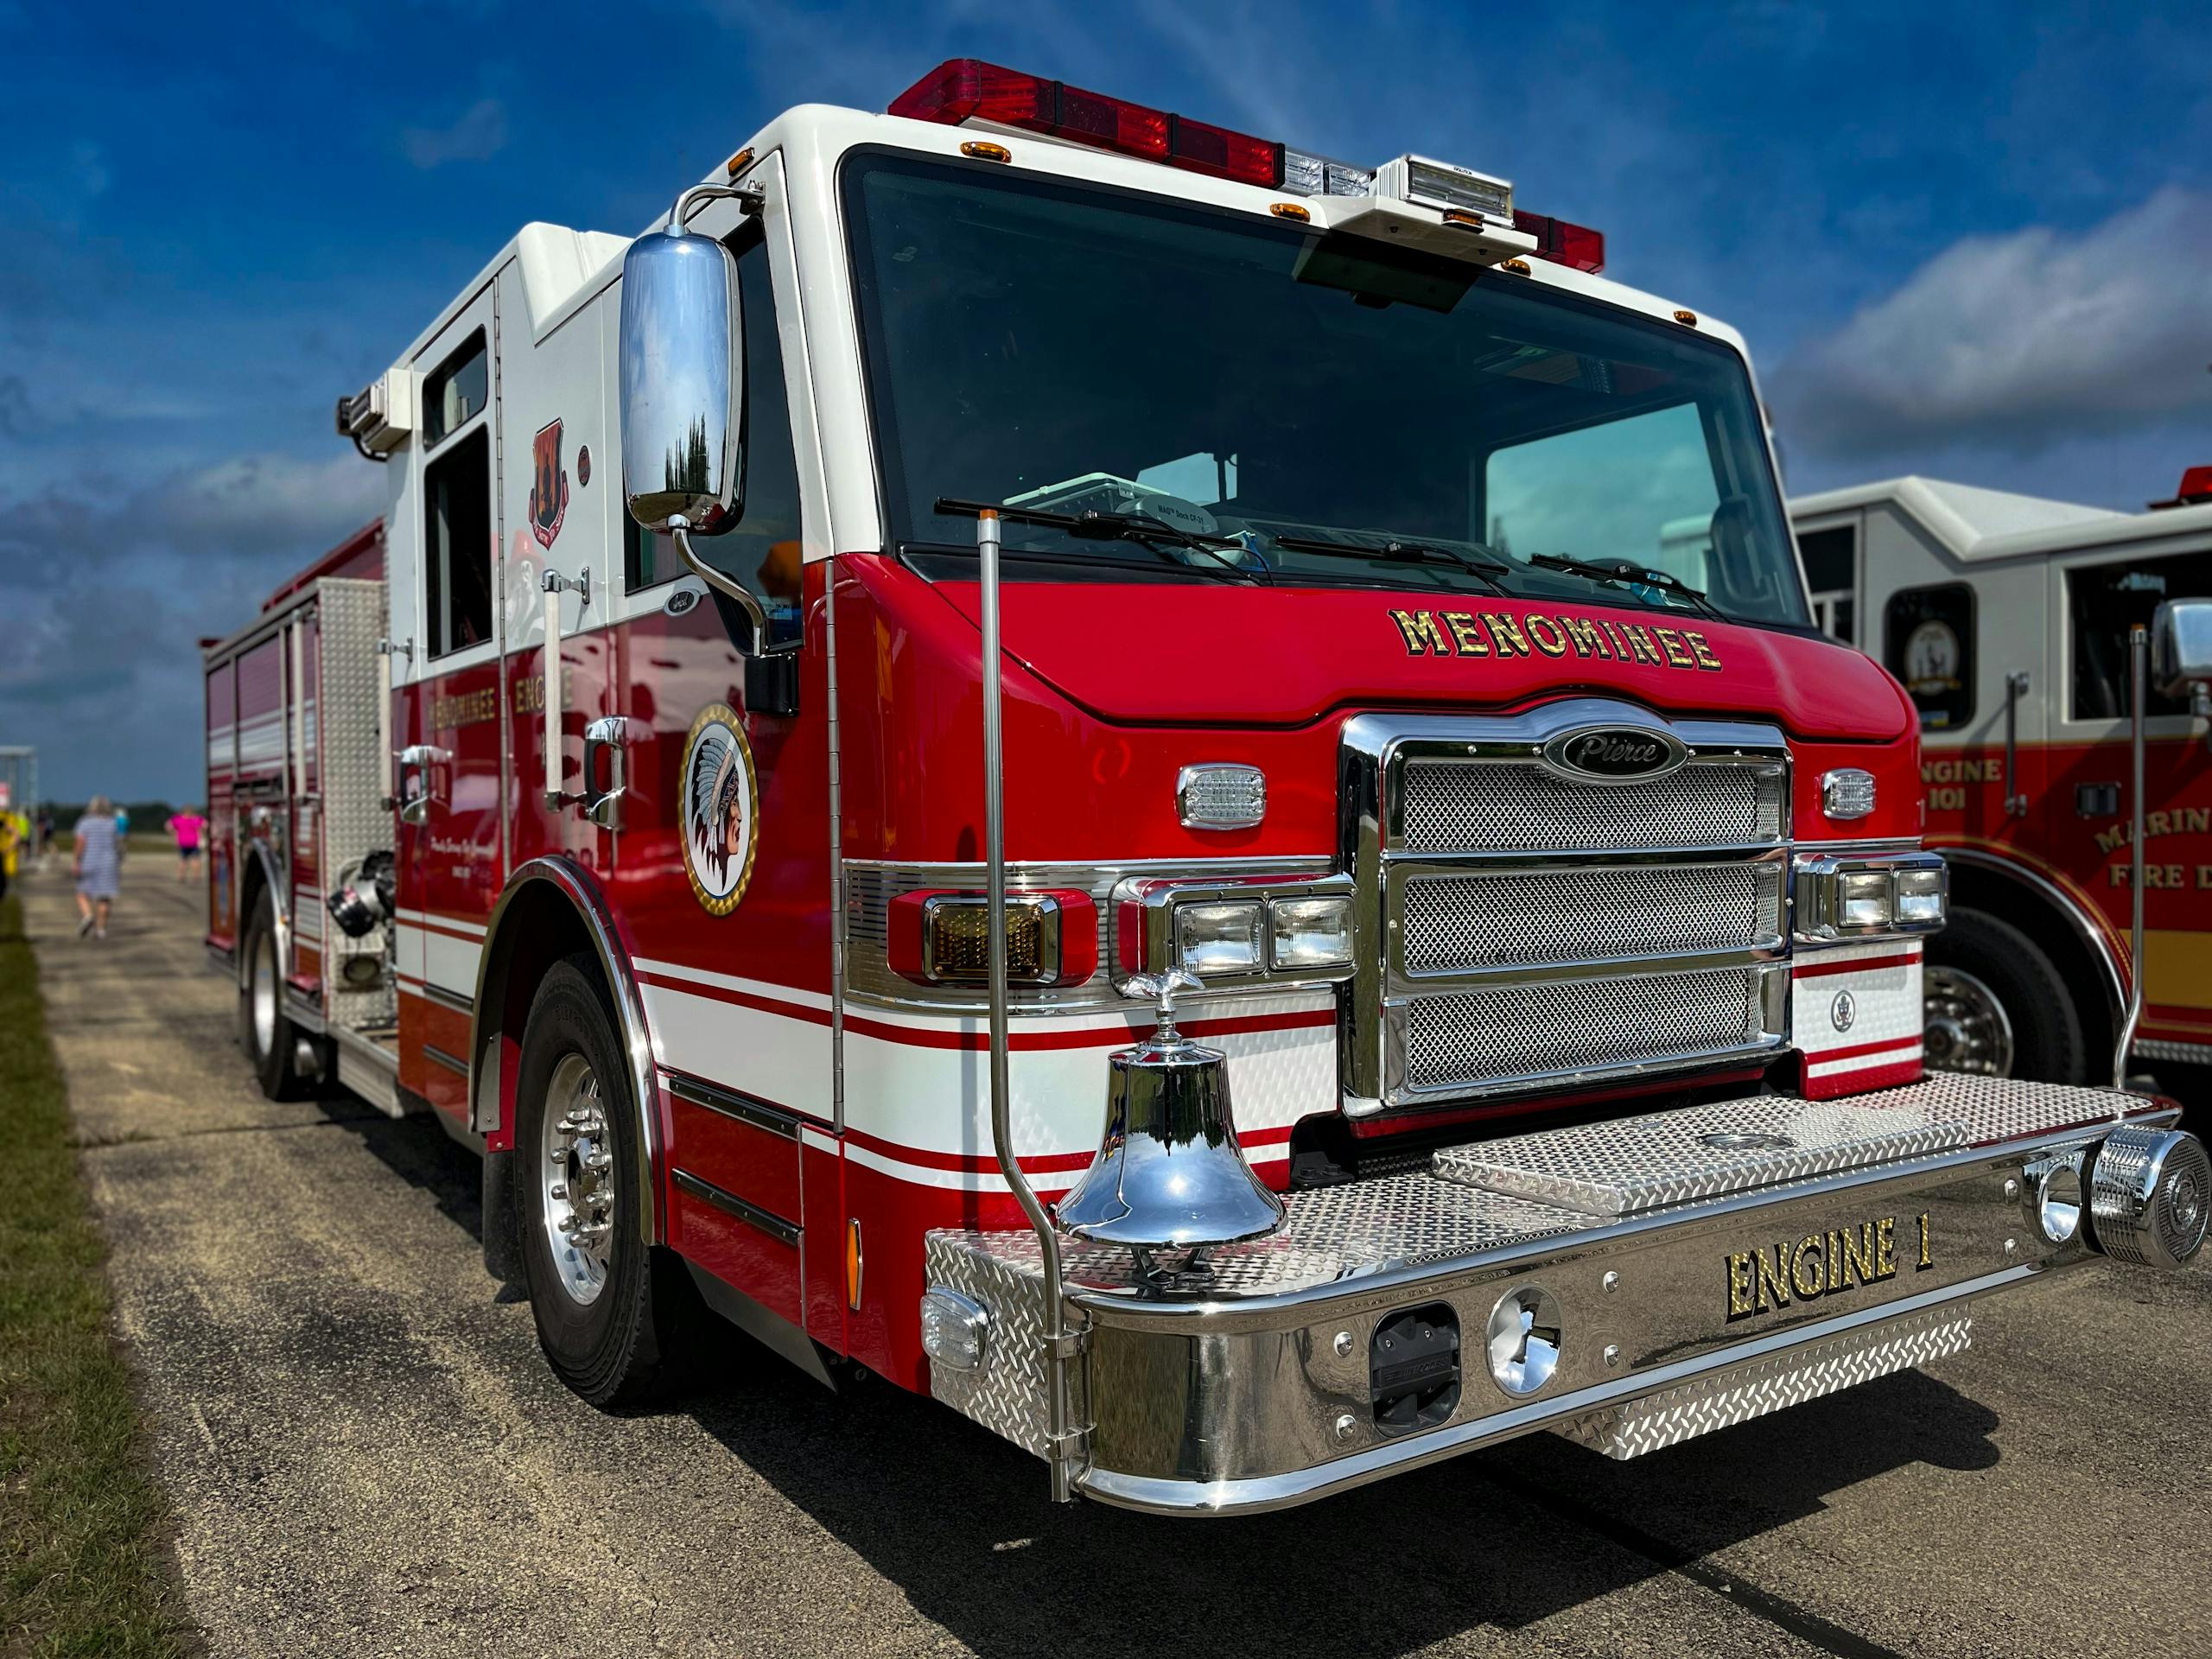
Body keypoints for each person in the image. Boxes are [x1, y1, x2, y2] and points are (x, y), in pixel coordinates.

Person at [74, 796, 122, 939]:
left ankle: (88, 916)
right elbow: (117, 844)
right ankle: (101, 930)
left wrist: (76, 860)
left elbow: (80, 843)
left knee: (82, 893)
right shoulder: (113, 823)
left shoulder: (85, 823)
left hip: (89, 861)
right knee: (104, 898)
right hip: (109, 863)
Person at [166, 805, 207, 880]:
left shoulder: (177, 819)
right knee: (196, 860)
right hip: (194, 842)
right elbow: (205, 825)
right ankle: (196, 877)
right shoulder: (196, 819)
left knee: (183, 860)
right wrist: (202, 832)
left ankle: (181, 876)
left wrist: (173, 833)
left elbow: (168, 825)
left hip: (182, 842)